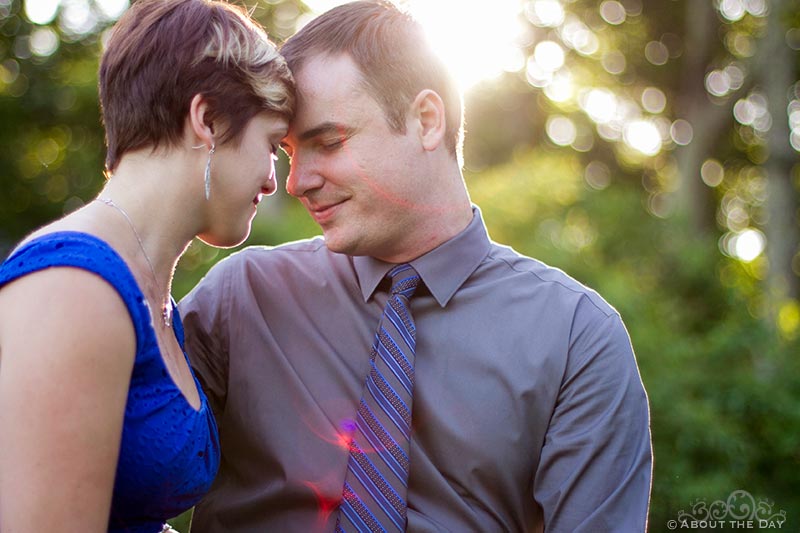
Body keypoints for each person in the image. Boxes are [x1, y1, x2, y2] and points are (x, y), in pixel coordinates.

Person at [181, 1, 652, 531]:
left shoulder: (576, 339)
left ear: (426, 120)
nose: (296, 182)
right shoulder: (241, 299)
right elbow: (108, 458)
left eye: (329, 142)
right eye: (289, 152)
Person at [0, 0, 294, 531]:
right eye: (272, 145)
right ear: (206, 119)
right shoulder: (73, 290)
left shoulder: (154, 296)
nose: (274, 180)